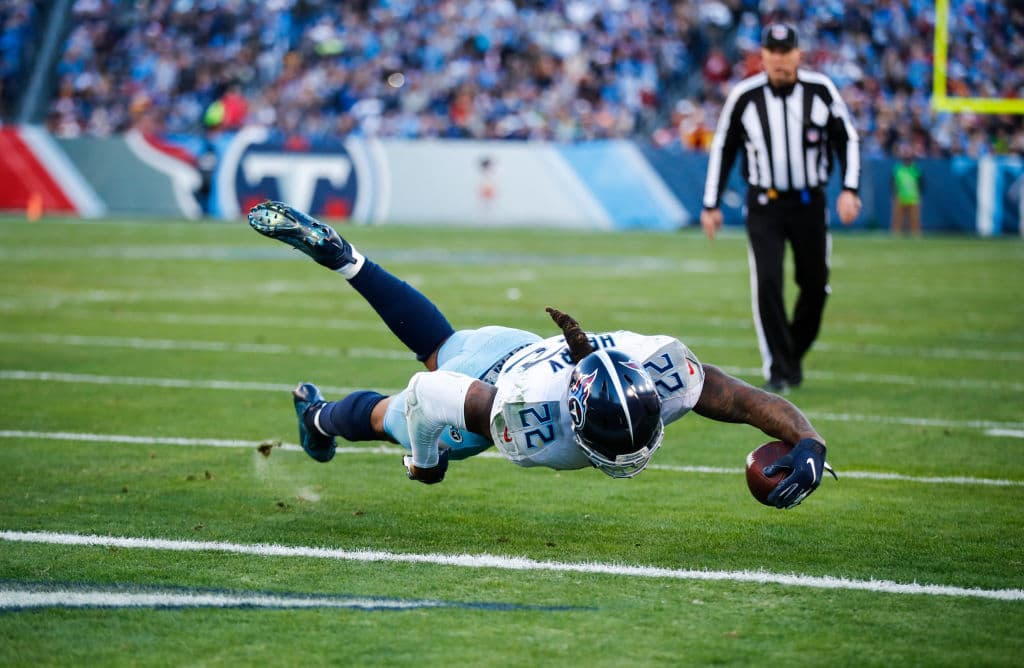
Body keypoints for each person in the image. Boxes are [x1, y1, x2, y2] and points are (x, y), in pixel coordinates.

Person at [247, 200, 835, 509]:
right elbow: (431, 395)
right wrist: (424, 464)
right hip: (498, 379)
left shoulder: (662, 372)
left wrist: (809, 442)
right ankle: (320, 418)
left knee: (440, 345)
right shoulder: (525, 422)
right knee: (397, 416)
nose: (629, 455)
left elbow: (744, 399)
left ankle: (347, 258)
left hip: (517, 347)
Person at [700, 23, 862, 394]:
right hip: (764, 205)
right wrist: (711, 203)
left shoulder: (820, 90)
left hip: (809, 203)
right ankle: (778, 368)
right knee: (768, 282)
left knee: (815, 284)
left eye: (785, 50)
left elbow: (846, 138)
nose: (778, 58)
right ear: (763, 56)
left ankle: (790, 355)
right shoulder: (745, 96)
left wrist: (849, 188)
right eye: (771, 51)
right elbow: (724, 148)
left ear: (797, 54)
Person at [891, 144, 923, 236]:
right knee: (897, 219)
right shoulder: (897, 168)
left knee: (914, 219)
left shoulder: (916, 169)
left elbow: (921, 183)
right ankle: (896, 235)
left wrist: (919, 194)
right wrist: (894, 194)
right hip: (900, 197)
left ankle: (915, 235)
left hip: (913, 198)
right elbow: (893, 183)